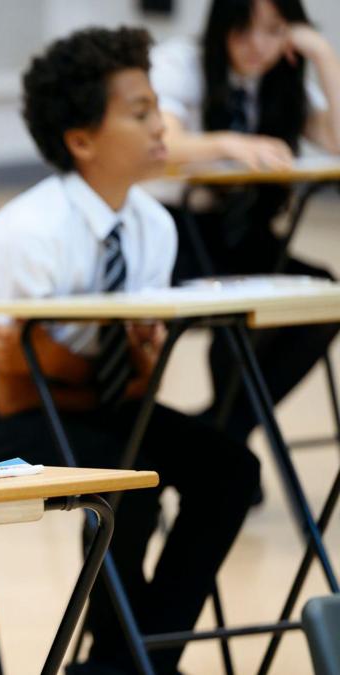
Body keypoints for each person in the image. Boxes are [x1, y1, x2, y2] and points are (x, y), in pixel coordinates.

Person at [0, 27, 260, 674]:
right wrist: (87, 371)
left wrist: (60, 364)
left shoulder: (154, 227)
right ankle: (124, 665)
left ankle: (127, 661)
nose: (163, 124)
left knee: (230, 470)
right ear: (81, 141)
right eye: (140, 113)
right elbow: (15, 389)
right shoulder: (24, 233)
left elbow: (136, 386)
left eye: (157, 105)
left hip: (86, 407)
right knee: (125, 482)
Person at [150, 0, 340, 443]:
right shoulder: (183, 62)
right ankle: (221, 439)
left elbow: (336, 140)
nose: (258, 45)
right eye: (245, 30)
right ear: (222, 27)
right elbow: (161, 144)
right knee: (236, 313)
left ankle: (222, 432)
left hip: (244, 231)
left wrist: (322, 54)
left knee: (324, 299)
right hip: (177, 233)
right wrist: (228, 143)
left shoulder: (283, 80)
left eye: (274, 31)